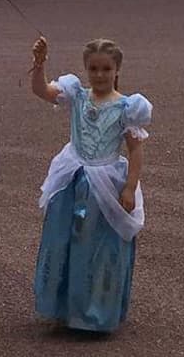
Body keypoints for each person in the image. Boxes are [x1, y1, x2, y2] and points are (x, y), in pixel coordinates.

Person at [29, 35, 152, 333]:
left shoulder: (127, 107)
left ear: (117, 70)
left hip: (105, 184)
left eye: (106, 69)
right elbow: (42, 90)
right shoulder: (77, 95)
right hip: (72, 177)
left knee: (98, 247)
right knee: (63, 240)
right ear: (86, 69)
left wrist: (129, 187)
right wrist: (40, 63)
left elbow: (136, 150)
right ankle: (64, 308)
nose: (99, 75)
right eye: (94, 69)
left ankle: (94, 312)